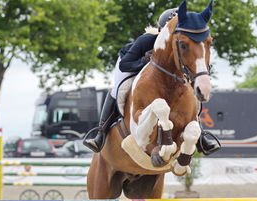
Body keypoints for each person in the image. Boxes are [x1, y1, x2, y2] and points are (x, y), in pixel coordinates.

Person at [83, 7, 220, 155]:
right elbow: (125, 65)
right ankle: (101, 132)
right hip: (130, 64)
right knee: (119, 89)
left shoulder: (180, 44)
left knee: (191, 93)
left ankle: (201, 135)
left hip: (164, 76)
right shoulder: (147, 40)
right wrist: (144, 61)